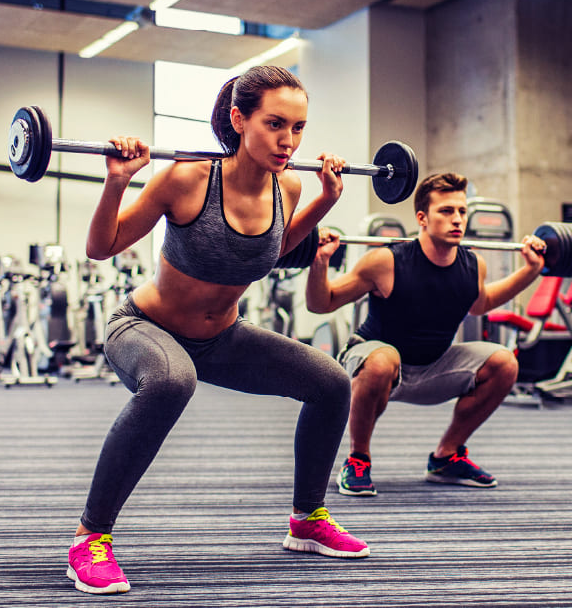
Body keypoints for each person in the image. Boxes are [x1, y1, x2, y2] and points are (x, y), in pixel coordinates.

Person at [68, 65, 369, 596]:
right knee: (170, 381)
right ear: (238, 119)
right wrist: (117, 181)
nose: (288, 140)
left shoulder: (289, 185)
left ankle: (307, 518)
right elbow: (102, 246)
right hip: (144, 328)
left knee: (330, 381)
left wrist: (325, 200)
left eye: (298, 128)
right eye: (275, 124)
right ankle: (89, 539)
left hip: (221, 338)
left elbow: (269, 253)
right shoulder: (185, 179)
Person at [305, 172, 547, 497]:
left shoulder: (473, 264)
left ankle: (446, 457)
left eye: (461, 211)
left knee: (504, 362)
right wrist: (319, 261)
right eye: (446, 211)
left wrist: (530, 270)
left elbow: (482, 303)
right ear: (422, 218)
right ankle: (358, 459)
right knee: (383, 359)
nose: (457, 219)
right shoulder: (386, 261)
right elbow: (322, 304)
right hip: (375, 362)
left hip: (433, 366)